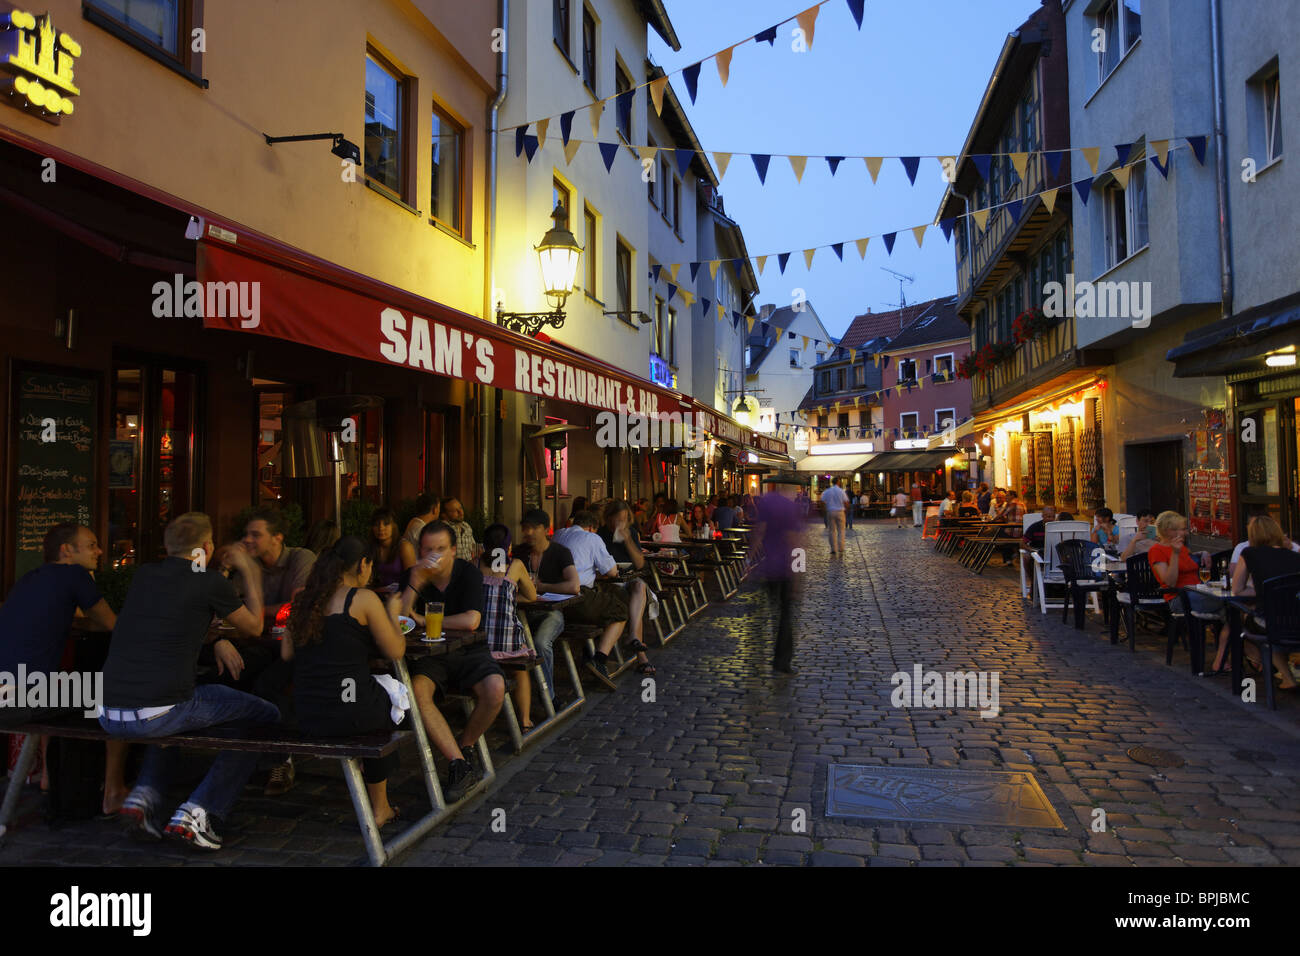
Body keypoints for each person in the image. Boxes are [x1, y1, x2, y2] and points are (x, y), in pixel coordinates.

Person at [100, 513, 277, 849]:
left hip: (108, 712)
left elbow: (176, 621)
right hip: (161, 711)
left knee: (172, 715)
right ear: (207, 547)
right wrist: (250, 573)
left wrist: (215, 639)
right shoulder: (207, 582)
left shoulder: (143, 575)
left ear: (168, 546)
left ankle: (144, 798)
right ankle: (199, 812)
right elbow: (254, 627)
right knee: (264, 717)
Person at [0, 523, 127, 816]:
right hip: (27, 697)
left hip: (8, 692)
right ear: (67, 550)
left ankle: (49, 777)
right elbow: (112, 625)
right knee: (120, 695)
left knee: (68, 683)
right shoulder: (75, 575)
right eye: (92, 544)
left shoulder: (29, 579)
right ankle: (113, 791)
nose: (99, 551)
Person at [282, 536, 407, 829]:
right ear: (363, 565)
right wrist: (392, 613)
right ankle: (381, 808)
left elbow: (286, 653)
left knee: (371, 697)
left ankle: (370, 780)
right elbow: (395, 651)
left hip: (307, 712)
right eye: (370, 566)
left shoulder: (302, 599)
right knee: (393, 706)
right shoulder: (363, 599)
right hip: (350, 712)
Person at [400, 521, 503, 802]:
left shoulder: (467, 573)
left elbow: (471, 620)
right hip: (431, 656)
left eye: (441, 549)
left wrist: (425, 620)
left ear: (454, 551)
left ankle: (466, 744)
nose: (434, 556)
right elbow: (398, 619)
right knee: (417, 692)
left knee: (495, 689)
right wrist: (415, 582)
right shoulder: (414, 575)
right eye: (427, 550)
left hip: (470, 651)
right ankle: (458, 764)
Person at [240, 506, 316, 795]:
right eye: (246, 534)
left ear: (277, 538)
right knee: (232, 675)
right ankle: (241, 752)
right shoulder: (249, 564)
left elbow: (297, 607)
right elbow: (232, 609)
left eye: (255, 535)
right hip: (257, 644)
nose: (248, 540)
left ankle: (280, 757)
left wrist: (256, 612)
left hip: (298, 647)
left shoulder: (300, 558)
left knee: (267, 684)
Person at [553, 511, 648, 685]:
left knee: (607, 600)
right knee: (620, 610)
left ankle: (590, 653)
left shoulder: (558, 534)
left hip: (554, 597)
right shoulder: (592, 538)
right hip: (576, 598)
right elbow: (611, 571)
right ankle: (599, 658)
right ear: (591, 528)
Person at [1224, 515, 1300, 687]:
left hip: (1272, 623)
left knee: (1244, 621)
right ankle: (1282, 671)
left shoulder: (1249, 553)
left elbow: (1238, 589)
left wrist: (1261, 591)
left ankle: (1281, 674)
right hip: (1297, 622)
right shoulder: (1295, 556)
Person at [477, 524, 540, 731]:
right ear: (508, 546)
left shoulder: (475, 564)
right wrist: (511, 595)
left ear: (484, 546)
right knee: (520, 673)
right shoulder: (516, 566)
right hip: (507, 643)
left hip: (480, 644)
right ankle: (524, 720)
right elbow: (532, 596)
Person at [755, 476, 804, 674]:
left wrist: (749, 560)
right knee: (785, 617)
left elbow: (759, 531)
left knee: (766, 614)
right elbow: (794, 542)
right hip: (785, 569)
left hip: (767, 568)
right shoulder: (790, 508)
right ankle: (781, 661)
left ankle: (758, 655)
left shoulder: (766, 501)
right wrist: (798, 573)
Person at [367, 506, 416, 592]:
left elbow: (412, 583)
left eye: (386, 524)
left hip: (401, 597)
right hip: (376, 596)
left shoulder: (404, 547)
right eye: (376, 524)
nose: (381, 528)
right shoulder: (371, 547)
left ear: (393, 526)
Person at [439, 497, 479, 562]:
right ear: (444, 515)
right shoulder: (442, 528)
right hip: (453, 569)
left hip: (468, 567)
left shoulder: (466, 526)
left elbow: (473, 548)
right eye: (455, 510)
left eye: (460, 508)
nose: (461, 512)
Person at [821, 477, 849, 557]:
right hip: (840, 511)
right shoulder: (841, 491)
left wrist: (824, 510)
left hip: (830, 511)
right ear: (838, 482)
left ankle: (833, 549)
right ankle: (841, 547)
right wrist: (846, 510)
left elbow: (822, 501)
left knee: (832, 531)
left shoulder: (827, 491)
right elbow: (846, 502)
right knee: (841, 530)